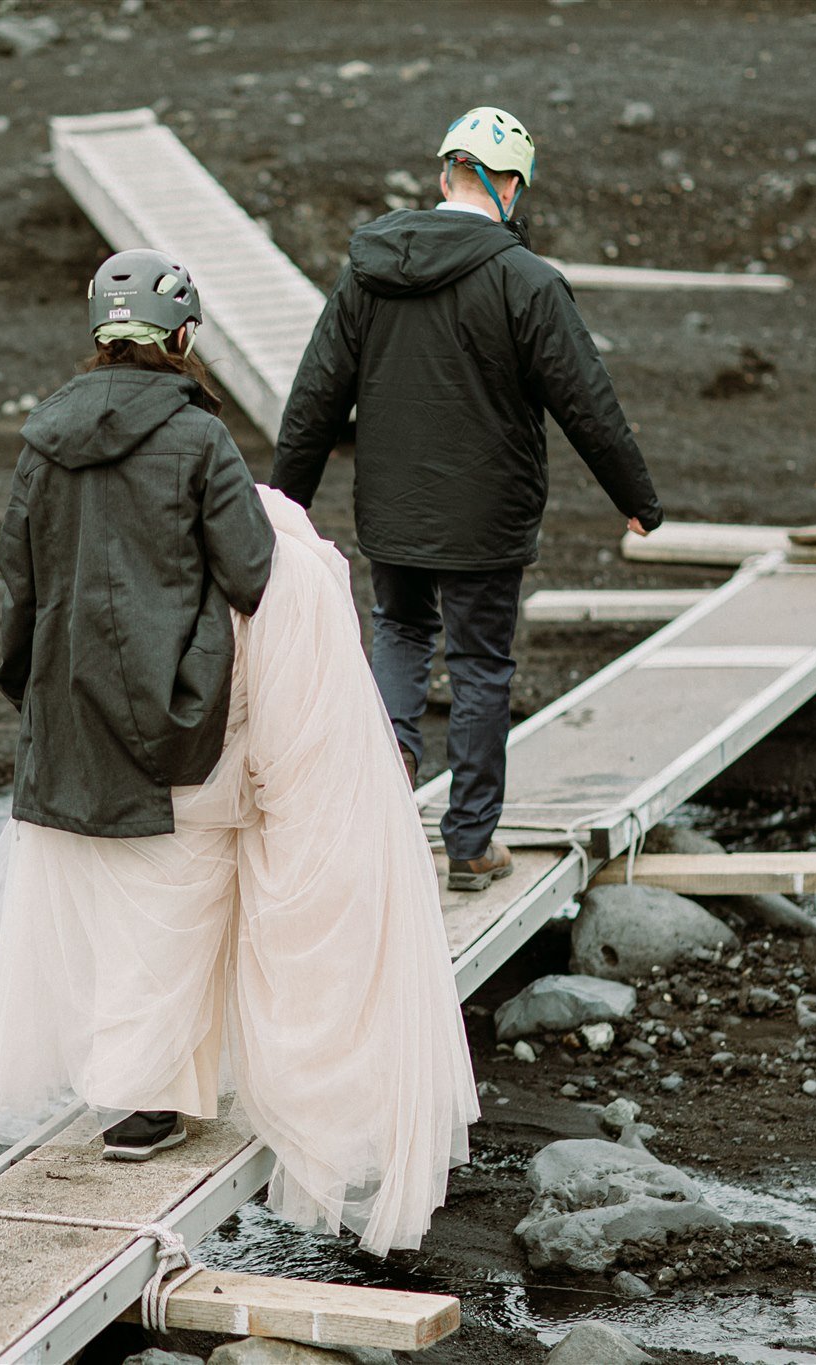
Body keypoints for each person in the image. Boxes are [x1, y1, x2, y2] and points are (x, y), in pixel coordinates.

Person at [0, 249, 481, 1256]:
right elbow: (248, 567)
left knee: (113, 897)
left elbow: (17, 566)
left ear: (97, 330)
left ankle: (150, 1084)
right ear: (182, 339)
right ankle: (139, 1102)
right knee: (180, 897)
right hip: (172, 710)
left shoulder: (43, 437)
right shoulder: (196, 439)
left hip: (68, 709)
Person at [271, 107, 662, 893]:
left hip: (392, 509)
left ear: (445, 174)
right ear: (508, 185)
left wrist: (288, 501)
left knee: (400, 632)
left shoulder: (369, 268)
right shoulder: (528, 280)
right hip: (488, 516)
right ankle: (471, 844)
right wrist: (637, 498)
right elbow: (587, 401)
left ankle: (384, 793)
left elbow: (316, 393)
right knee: (482, 665)